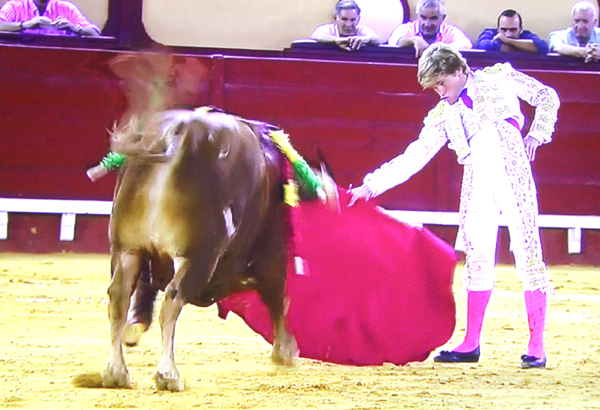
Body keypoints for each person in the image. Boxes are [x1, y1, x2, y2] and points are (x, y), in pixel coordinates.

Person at [349, 43, 559, 369]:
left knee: (527, 251)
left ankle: (537, 347)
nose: (439, 92)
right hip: (476, 176)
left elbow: (547, 96)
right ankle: (471, 342)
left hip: (512, 165)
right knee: (477, 256)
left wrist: (537, 134)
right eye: (434, 87)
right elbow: (414, 157)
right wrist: (370, 186)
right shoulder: (443, 114)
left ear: (459, 70)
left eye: (442, 83)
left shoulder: (498, 76)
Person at [387, 0, 472, 58]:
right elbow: (394, 40)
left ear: (443, 18)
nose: (427, 24)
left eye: (433, 18)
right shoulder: (408, 28)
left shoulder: (449, 30)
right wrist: (413, 41)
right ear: (418, 16)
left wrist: (435, 48)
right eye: (423, 17)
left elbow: (466, 45)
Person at [0, 0, 100, 36]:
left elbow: (94, 33)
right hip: (20, 60)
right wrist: (24, 25)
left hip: (58, 62)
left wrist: (75, 28)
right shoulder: (14, 6)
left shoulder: (67, 8)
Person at [311, 0, 380, 51]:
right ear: (336, 18)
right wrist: (336, 41)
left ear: (358, 19)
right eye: (344, 19)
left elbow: (376, 39)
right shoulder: (328, 29)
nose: (348, 24)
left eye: (352, 20)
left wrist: (365, 39)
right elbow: (316, 35)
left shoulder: (362, 30)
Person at [476, 9, 548, 54]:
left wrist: (507, 40)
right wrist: (523, 47)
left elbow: (543, 47)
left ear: (520, 29)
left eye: (513, 30)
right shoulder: (489, 33)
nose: (508, 34)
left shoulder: (526, 35)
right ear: (498, 29)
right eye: (504, 30)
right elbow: (483, 45)